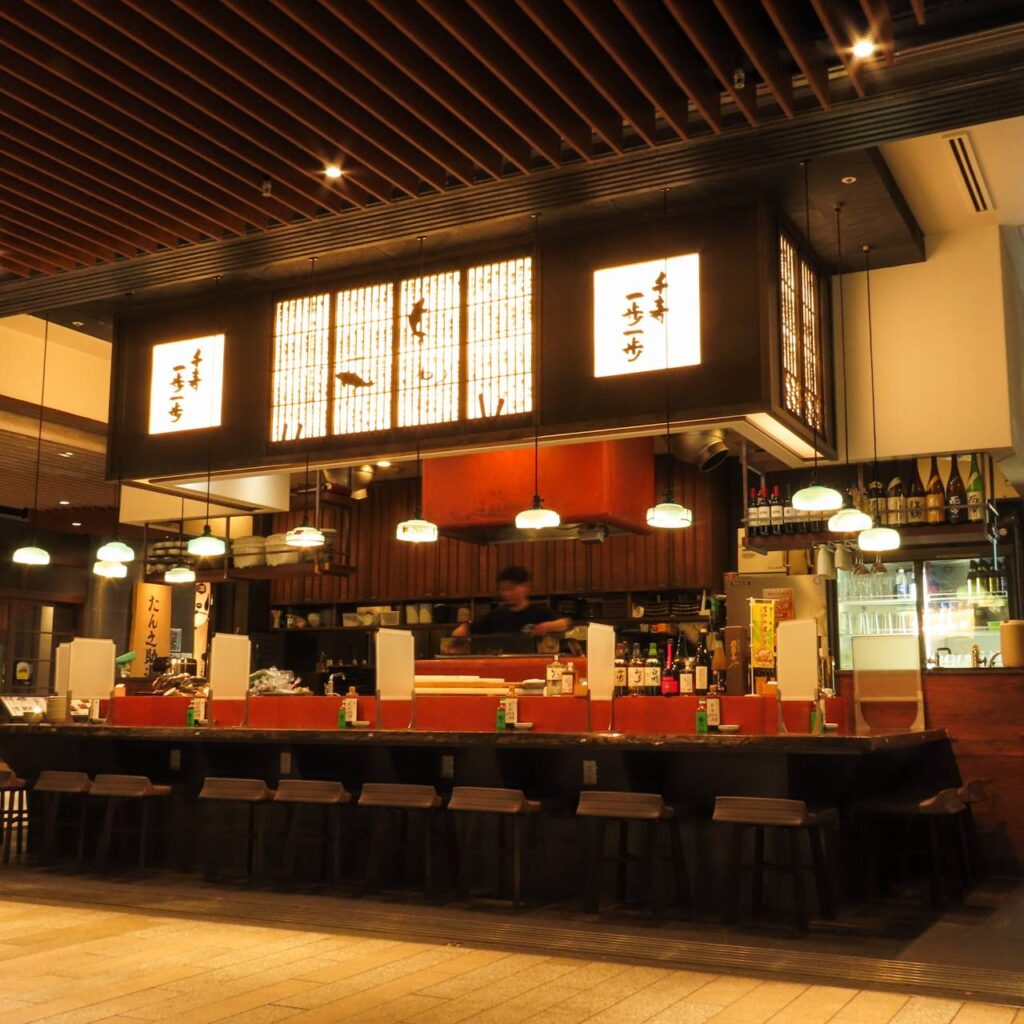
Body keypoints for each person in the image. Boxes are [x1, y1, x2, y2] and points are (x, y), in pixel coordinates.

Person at [452, 565, 571, 637]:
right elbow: (469, 629)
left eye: (511, 588)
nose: (506, 593)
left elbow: (567, 623)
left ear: (525, 587)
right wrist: (462, 629)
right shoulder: (496, 615)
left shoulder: (540, 612)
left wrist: (548, 626)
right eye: (503, 589)